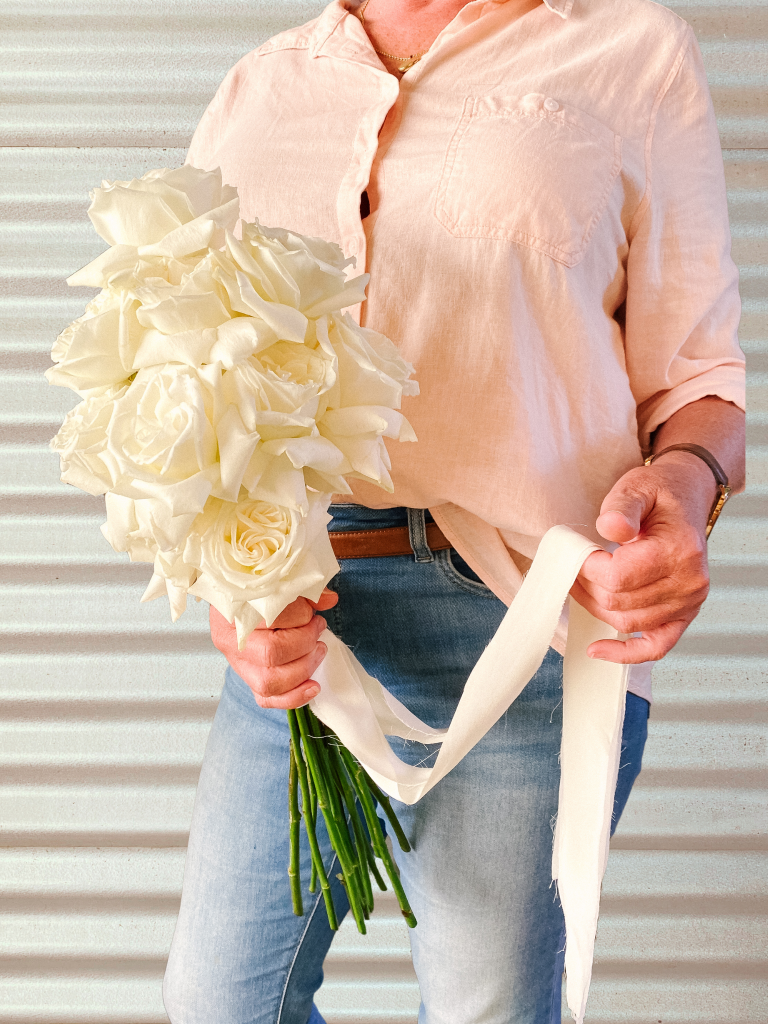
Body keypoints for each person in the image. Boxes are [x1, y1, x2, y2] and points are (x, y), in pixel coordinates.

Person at [162, 1, 746, 1022]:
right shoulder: (261, 89)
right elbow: (189, 387)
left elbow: (699, 379)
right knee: (221, 1002)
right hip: (306, 621)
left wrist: (688, 485)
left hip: (523, 617)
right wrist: (231, 587)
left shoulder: (632, 54)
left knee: (488, 1009)